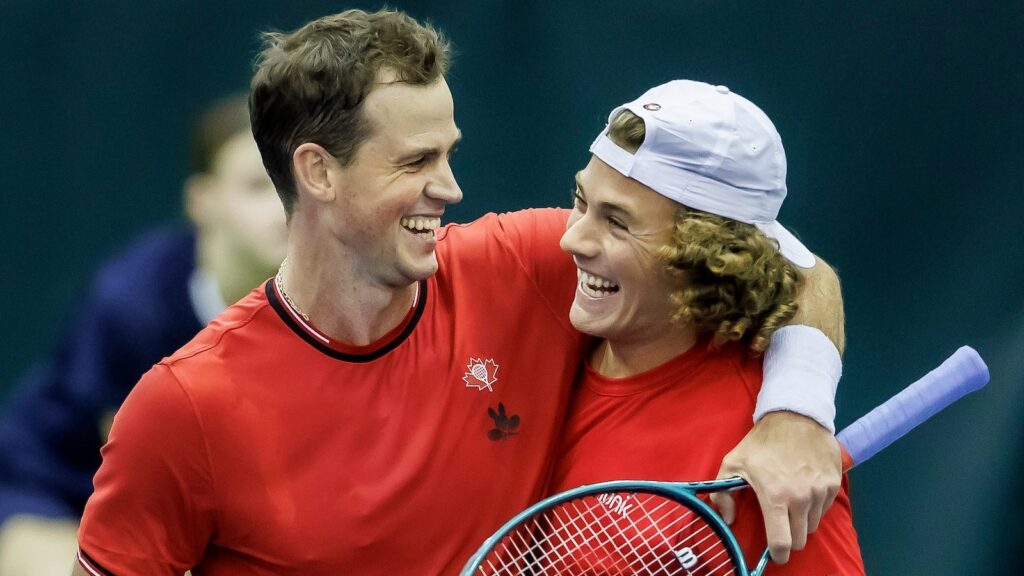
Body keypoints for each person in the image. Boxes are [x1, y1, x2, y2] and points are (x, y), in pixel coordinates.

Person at [73, 10, 845, 576]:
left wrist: (797, 413)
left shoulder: (532, 267)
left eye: (449, 152)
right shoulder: (183, 407)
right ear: (318, 172)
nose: (449, 187)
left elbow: (792, 267)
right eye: (415, 162)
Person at [549, 80, 863, 573]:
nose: (571, 239)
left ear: (707, 257)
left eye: (618, 223)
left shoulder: (770, 466)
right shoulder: (533, 302)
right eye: (581, 201)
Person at [0, 94, 286, 576]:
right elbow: (49, 463)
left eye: (294, 181)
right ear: (203, 202)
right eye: (258, 186)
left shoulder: (348, 307)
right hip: (68, 507)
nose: (283, 204)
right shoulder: (131, 307)